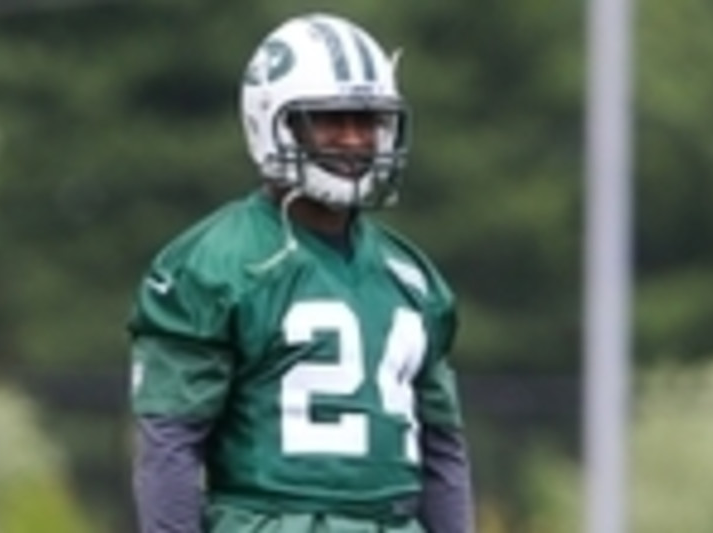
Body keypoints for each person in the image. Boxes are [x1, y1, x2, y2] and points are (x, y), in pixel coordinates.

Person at [128, 11, 475, 533]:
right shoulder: (216, 262)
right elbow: (170, 448)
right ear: (273, 121)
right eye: (332, 119)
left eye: (368, 121)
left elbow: (442, 450)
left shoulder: (412, 276)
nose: (356, 140)